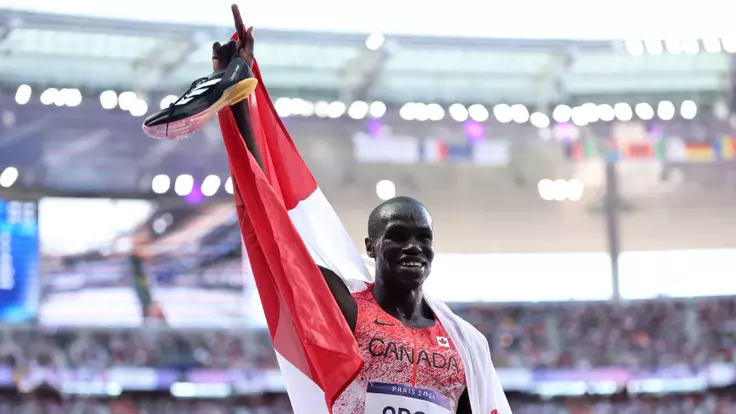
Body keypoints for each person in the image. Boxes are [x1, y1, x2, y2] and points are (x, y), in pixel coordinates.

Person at [212, 5, 509, 414]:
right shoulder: (348, 309)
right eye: (398, 237)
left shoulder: (463, 343)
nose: (413, 248)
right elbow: (278, 231)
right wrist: (242, 102)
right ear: (371, 246)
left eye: (424, 239)